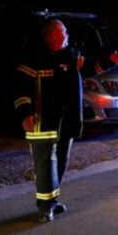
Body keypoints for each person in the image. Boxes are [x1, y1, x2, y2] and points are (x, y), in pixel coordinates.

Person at [13, 19, 84, 223]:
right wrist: (25, 113)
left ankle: (52, 201)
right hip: (42, 123)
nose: (68, 35)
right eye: (64, 32)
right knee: (45, 166)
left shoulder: (69, 57)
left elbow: (90, 66)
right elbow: (20, 88)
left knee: (60, 162)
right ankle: (44, 208)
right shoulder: (34, 59)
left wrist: (114, 58)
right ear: (53, 36)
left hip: (65, 124)